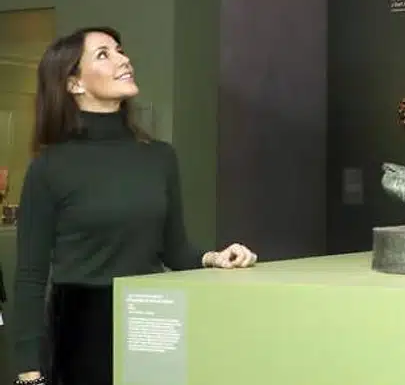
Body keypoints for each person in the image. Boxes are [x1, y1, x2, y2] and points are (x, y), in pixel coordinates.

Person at [6, 27, 258, 385]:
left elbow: (174, 250)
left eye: (120, 51)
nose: (123, 60)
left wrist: (214, 258)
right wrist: (28, 371)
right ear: (74, 84)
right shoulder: (49, 168)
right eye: (103, 54)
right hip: (81, 333)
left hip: (150, 317)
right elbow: (30, 277)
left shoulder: (159, 157)